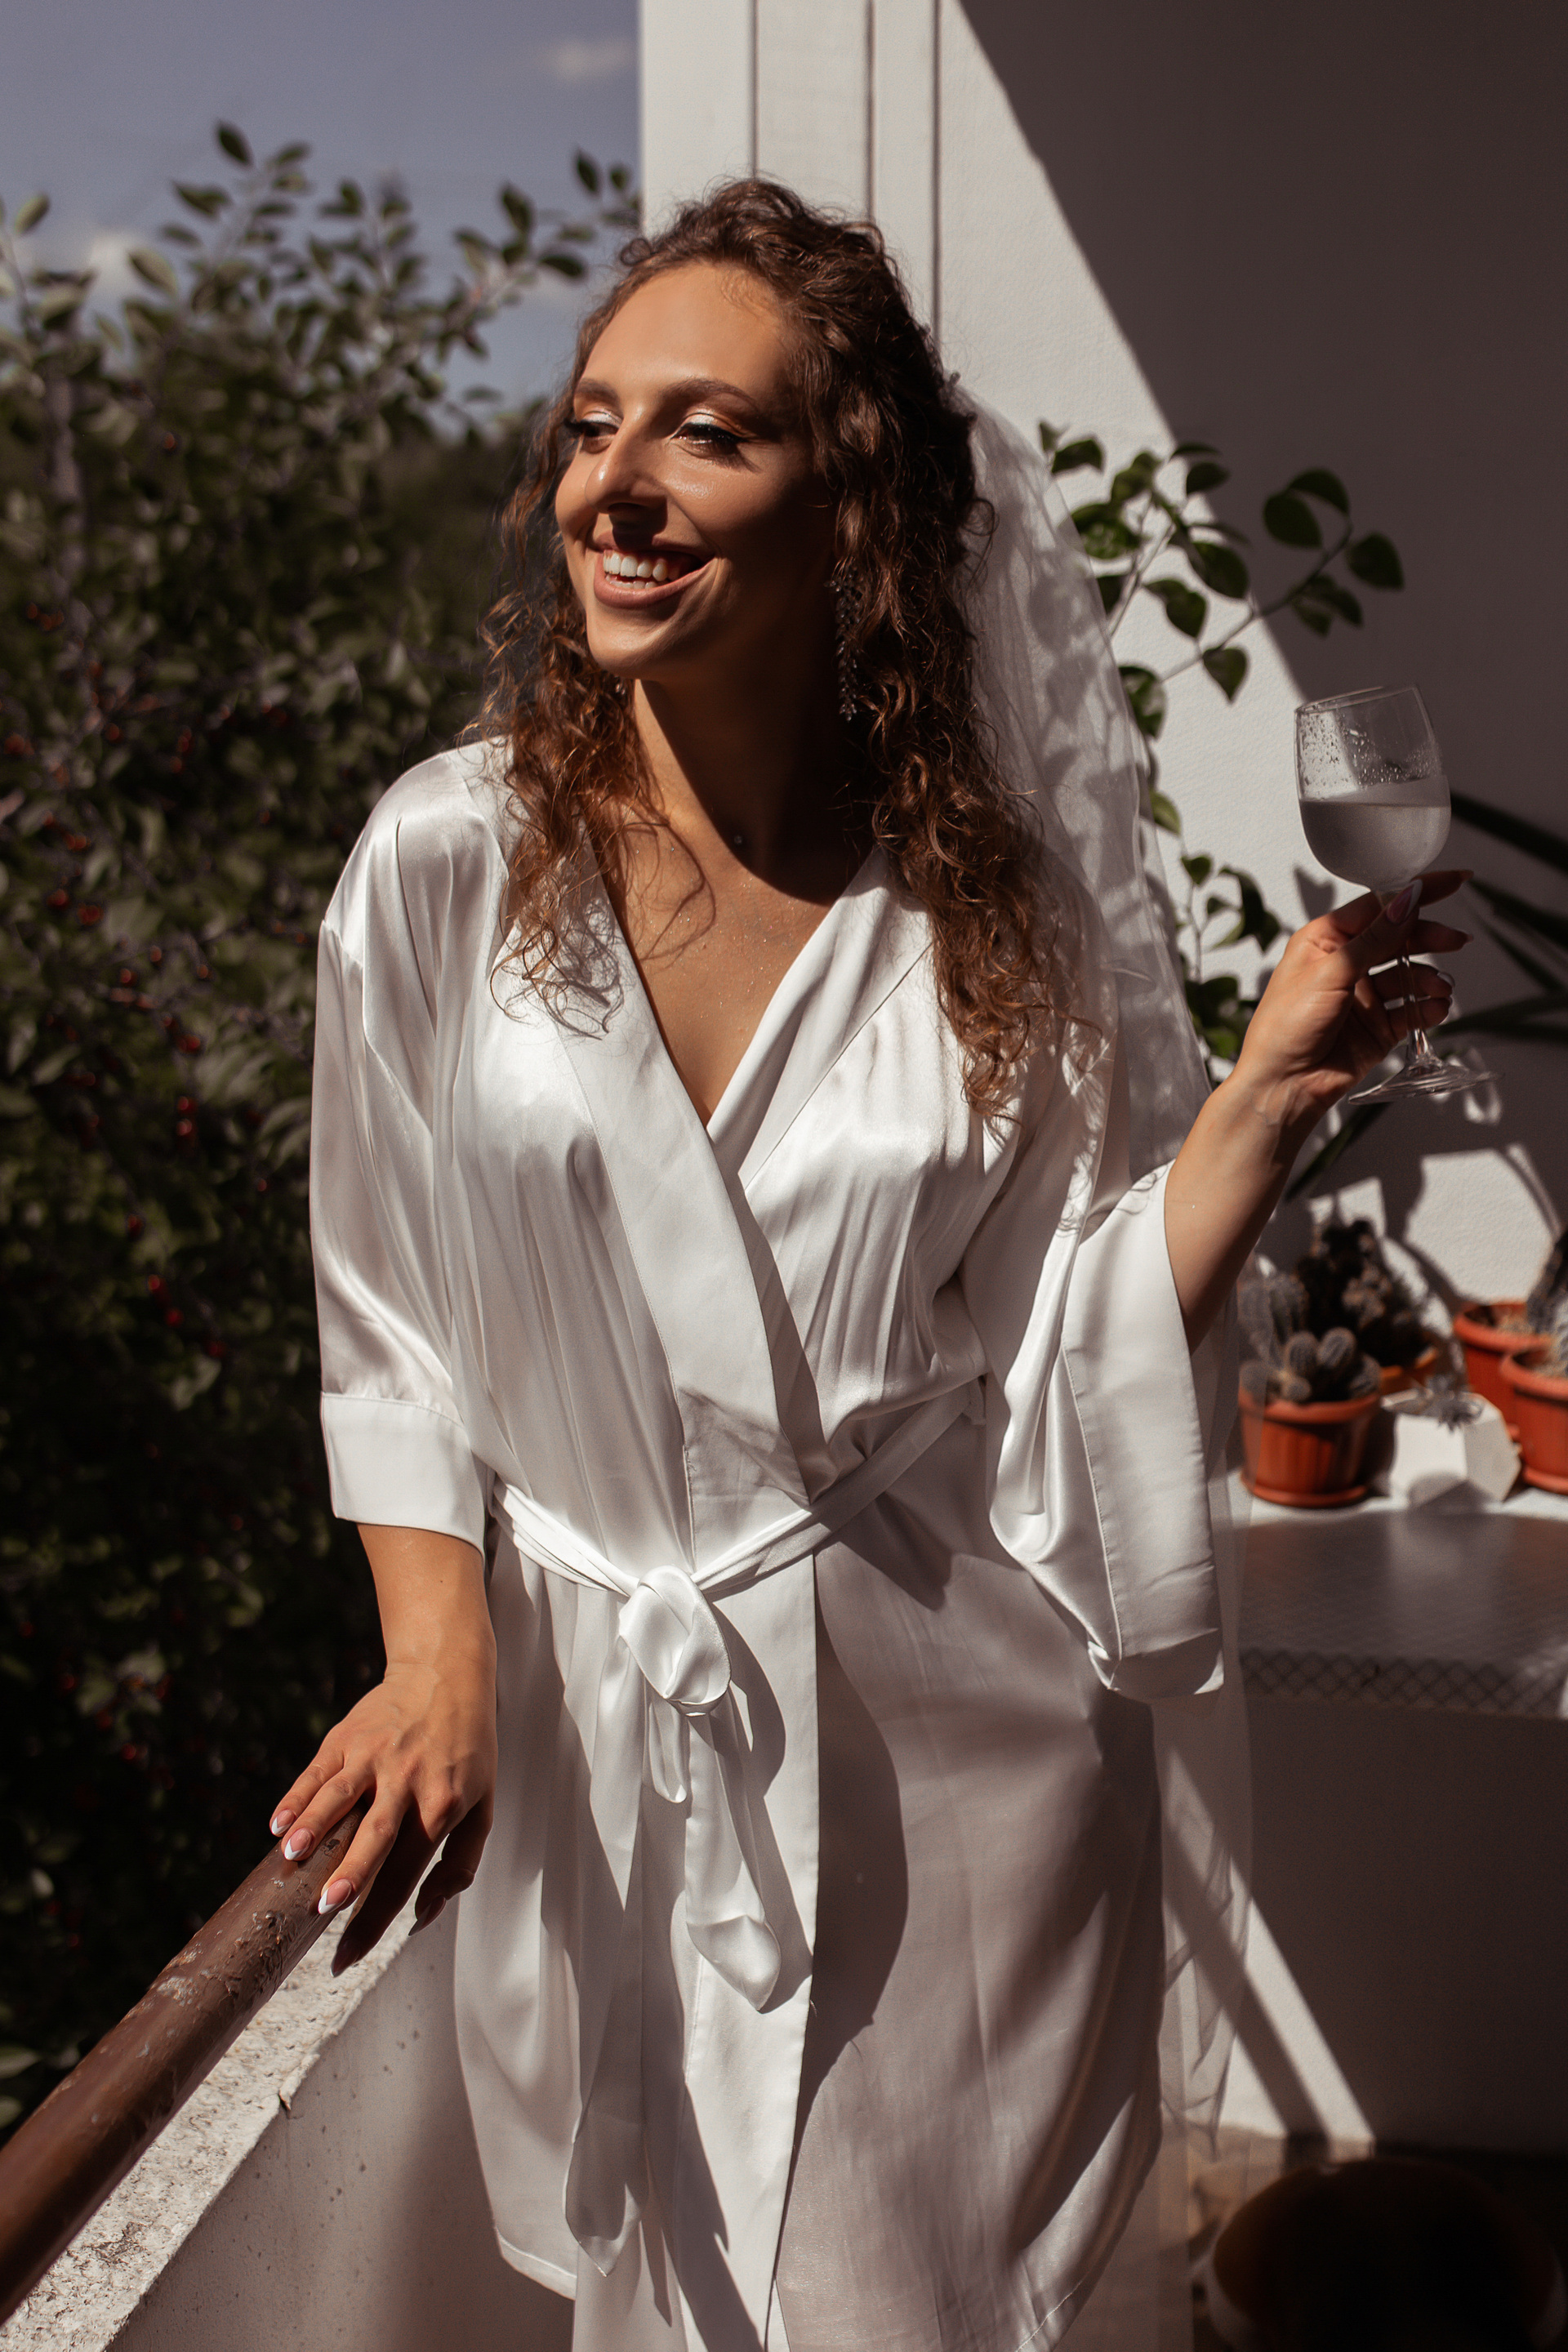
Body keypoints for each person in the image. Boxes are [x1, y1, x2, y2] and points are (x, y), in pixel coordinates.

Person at [271, 182, 1469, 2352]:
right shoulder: (448, 865)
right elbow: (385, 1304)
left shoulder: (986, 918)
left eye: (706, 432)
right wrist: (435, 1649)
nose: (617, 487)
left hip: (952, 1774)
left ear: (856, 511)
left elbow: (1060, 1353)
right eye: (593, 426)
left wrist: (1263, 1102)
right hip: (609, 1735)